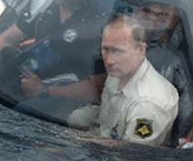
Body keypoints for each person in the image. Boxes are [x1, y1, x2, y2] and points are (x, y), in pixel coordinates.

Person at [70, 14, 179, 146]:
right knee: (76, 118)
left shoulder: (147, 105)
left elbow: (130, 154)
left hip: (119, 157)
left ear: (140, 50)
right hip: (104, 132)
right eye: (105, 49)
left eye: (118, 51)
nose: (109, 61)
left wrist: (79, 140)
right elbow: (109, 109)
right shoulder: (120, 71)